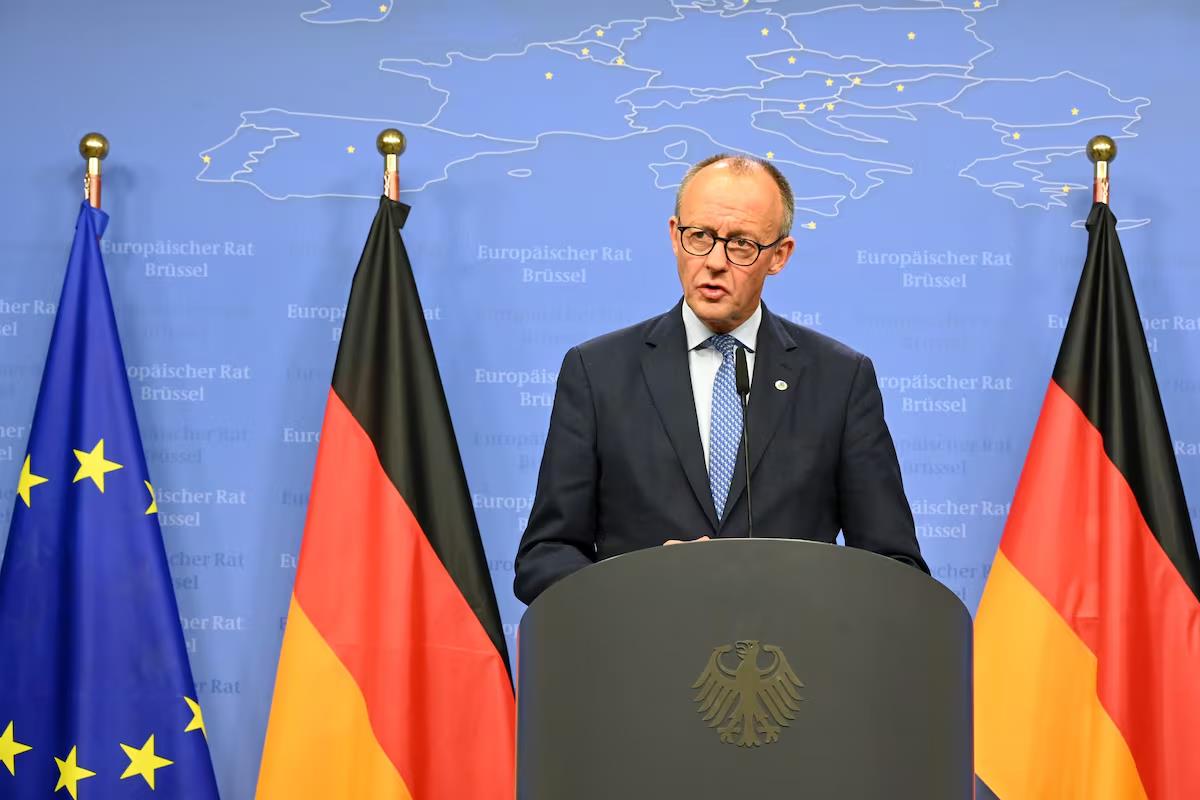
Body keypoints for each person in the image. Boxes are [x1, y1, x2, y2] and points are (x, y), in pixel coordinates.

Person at [513, 154, 927, 604]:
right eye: (700, 237)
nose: (714, 261)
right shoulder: (597, 372)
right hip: (640, 659)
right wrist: (641, 581)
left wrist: (793, 589)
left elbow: (894, 566)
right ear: (675, 235)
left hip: (787, 663)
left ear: (779, 256)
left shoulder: (840, 380)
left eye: (742, 244)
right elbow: (544, 558)